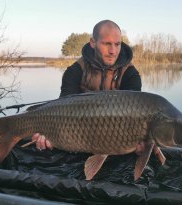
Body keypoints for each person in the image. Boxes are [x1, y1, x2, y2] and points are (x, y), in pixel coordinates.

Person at [32, 19, 142, 150]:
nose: (113, 51)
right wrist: (49, 136)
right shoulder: (75, 71)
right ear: (93, 43)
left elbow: (135, 118)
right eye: (107, 44)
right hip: (76, 139)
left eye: (117, 44)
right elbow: (62, 112)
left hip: (116, 141)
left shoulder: (130, 74)